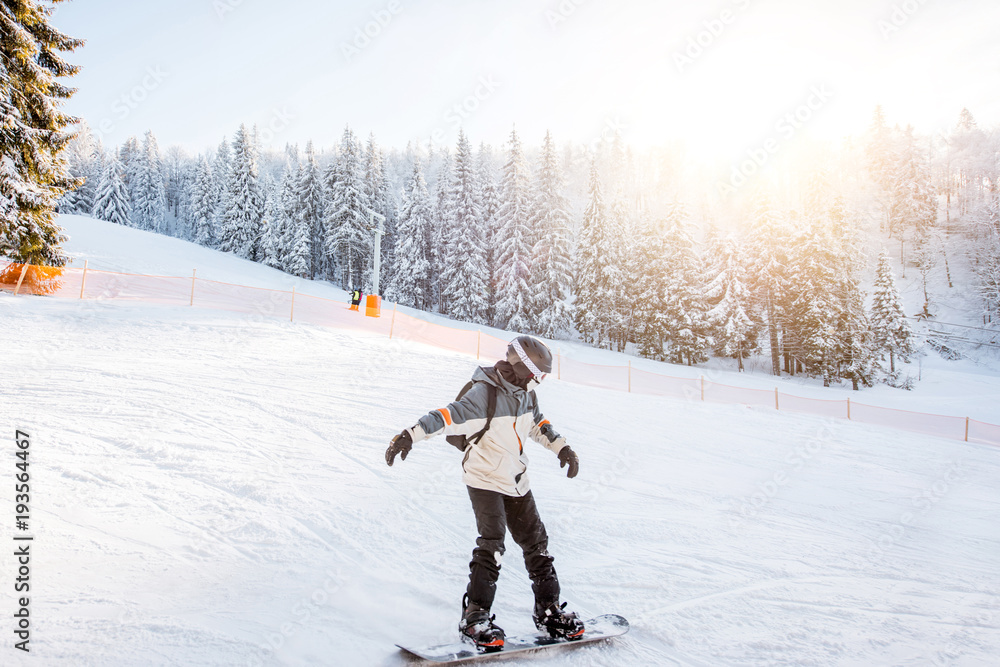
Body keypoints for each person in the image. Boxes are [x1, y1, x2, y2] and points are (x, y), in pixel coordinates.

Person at [385, 335, 584, 651]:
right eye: (539, 373)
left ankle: (548, 611)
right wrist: (409, 436)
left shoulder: (526, 393)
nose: (540, 381)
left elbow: (538, 424)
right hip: (484, 478)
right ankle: (475, 617)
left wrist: (562, 448)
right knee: (492, 544)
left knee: (537, 544)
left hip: (516, 479)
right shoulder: (484, 394)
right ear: (522, 366)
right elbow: (446, 417)